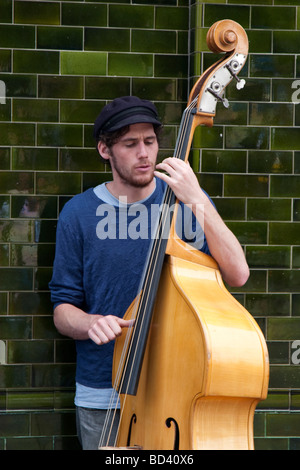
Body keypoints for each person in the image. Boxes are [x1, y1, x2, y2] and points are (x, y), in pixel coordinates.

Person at [49, 96, 249, 450]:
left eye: (150, 141)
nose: (144, 153)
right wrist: (91, 323)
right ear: (105, 150)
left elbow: (238, 273)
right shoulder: (78, 214)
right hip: (103, 397)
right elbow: (63, 310)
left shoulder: (186, 201)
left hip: (175, 393)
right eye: (130, 144)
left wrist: (196, 200)